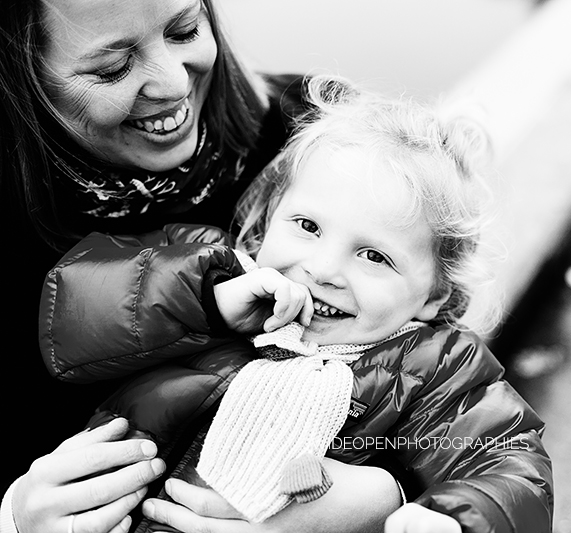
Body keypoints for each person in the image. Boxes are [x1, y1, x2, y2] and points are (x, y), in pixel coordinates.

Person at [35, 77, 555, 533]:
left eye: (374, 256)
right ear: (268, 221)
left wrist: (457, 517)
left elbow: (506, 460)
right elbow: (76, 308)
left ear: (434, 295)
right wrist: (203, 300)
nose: (323, 269)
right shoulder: (217, 271)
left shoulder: (433, 365)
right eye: (307, 227)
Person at [0, 0, 401, 530]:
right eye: (112, 68)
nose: (171, 84)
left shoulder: (320, 135)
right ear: (22, 80)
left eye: (185, 30)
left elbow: (445, 388)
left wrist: (382, 497)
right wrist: (16, 514)